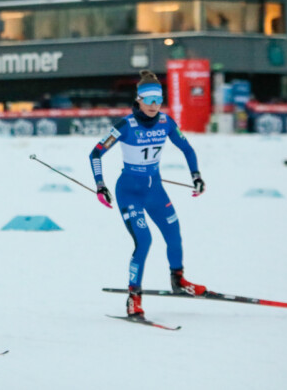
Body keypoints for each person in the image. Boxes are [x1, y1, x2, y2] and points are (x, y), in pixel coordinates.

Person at [88, 70, 206, 318]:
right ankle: (134, 298)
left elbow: (187, 148)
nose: (154, 105)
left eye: (158, 100)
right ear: (139, 100)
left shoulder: (166, 122)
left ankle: (179, 280)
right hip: (129, 192)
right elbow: (96, 153)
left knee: (174, 234)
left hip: (155, 190)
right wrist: (100, 184)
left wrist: (195, 175)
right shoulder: (126, 126)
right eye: (149, 100)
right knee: (144, 241)